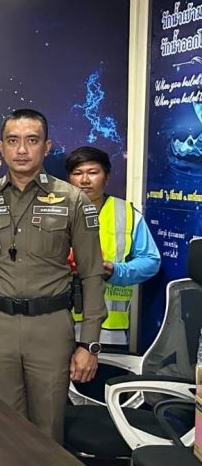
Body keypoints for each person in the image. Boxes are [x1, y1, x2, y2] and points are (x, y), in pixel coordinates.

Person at [0, 109, 105, 443]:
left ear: (47, 146)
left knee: (48, 429)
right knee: (0, 427)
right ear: (2, 148)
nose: (22, 150)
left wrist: (89, 343)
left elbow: (92, 274)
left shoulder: (73, 200)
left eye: (32, 140)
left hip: (50, 328)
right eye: (13, 141)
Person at [66, 146, 160, 347]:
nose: (85, 180)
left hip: (109, 330)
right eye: (77, 173)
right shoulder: (53, 213)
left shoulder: (126, 213)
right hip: (58, 324)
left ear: (106, 177)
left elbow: (151, 261)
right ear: (69, 179)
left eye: (93, 173)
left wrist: (116, 271)